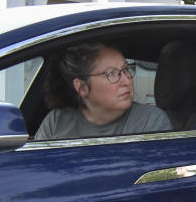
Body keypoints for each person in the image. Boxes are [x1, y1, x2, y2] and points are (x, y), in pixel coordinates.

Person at [35, 43, 171, 140]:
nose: (126, 80)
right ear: (82, 87)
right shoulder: (56, 122)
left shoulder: (150, 122)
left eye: (126, 69)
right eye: (112, 73)